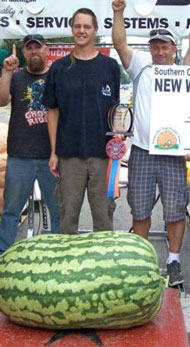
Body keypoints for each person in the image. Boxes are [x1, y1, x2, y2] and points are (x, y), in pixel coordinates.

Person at [111, 0, 190, 286]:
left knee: (175, 209)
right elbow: (120, 43)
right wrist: (118, 13)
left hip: (173, 154)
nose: (160, 51)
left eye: (165, 46)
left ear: (173, 48)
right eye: (156, 46)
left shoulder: (182, 71)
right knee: (140, 208)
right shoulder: (141, 67)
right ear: (150, 48)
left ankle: (174, 261)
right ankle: (142, 261)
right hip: (141, 151)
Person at [42, 8, 120, 234]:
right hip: (70, 156)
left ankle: (103, 265)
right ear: (72, 29)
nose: (81, 31)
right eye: (77, 26)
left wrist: (117, 145)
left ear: (95, 30)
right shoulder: (59, 68)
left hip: (103, 156)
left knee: (104, 220)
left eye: (87, 27)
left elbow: (114, 110)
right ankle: (66, 267)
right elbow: (52, 112)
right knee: (67, 219)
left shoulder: (110, 67)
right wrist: (54, 152)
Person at [0, 35, 60, 255]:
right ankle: (3, 256)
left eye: (38, 47)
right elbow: (1, 100)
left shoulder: (57, 76)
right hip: (19, 156)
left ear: (47, 50)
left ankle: (57, 257)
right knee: (10, 212)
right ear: (24, 53)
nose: (34, 52)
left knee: (57, 212)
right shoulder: (16, 77)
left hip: (51, 157)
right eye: (30, 48)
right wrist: (6, 72)